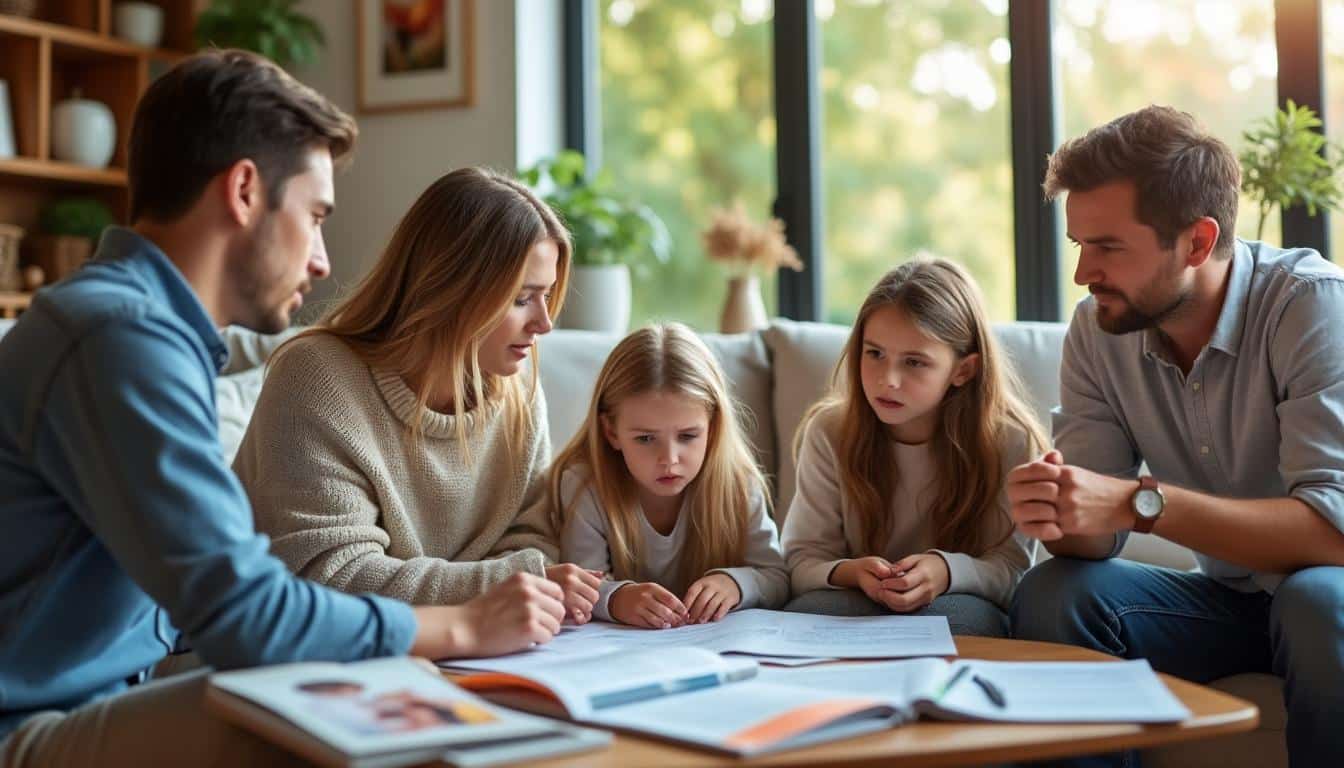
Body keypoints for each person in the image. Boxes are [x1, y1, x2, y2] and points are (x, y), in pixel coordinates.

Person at [0, 50, 564, 766]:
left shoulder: (143, 331)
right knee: (356, 723)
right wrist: (460, 627)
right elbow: (249, 616)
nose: (324, 259)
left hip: (116, 689)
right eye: (315, 215)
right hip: (31, 721)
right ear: (243, 190)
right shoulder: (117, 335)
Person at [1007, 105, 1344, 766]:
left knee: (1314, 598)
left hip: (1325, 594)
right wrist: (1055, 502)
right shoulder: (1099, 331)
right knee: (1054, 593)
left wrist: (1139, 503)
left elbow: (1334, 535)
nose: (1082, 274)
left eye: (1107, 248)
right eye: (1079, 245)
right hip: (1225, 602)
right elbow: (1092, 540)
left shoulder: (1311, 306)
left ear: (1195, 242)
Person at [235, 166, 602, 623]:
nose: (544, 324)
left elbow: (530, 537)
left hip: (464, 649)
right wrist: (509, 585)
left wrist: (517, 585)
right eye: (521, 298)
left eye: (546, 296)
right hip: (308, 651)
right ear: (452, 289)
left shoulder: (518, 387)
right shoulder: (317, 377)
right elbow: (328, 577)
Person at [781, 258, 1045, 637]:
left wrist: (946, 571)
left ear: (963, 370)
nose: (887, 380)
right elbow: (800, 562)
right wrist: (852, 572)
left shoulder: (1011, 442)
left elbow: (1012, 572)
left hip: (957, 603)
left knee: (969, 621)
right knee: (809, 610)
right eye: (874, 354)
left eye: (914, 362)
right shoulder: (829, 432)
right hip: (854, 599)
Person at [554, 323, 789, 627]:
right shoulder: (585, 485)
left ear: (713, 426)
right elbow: (579, 584)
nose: (669, 459)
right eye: (646, 439)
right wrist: (616, 598)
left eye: (688, 436)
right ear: (611, 431)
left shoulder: (738, 484)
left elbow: (779, 577)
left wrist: (735, 584)